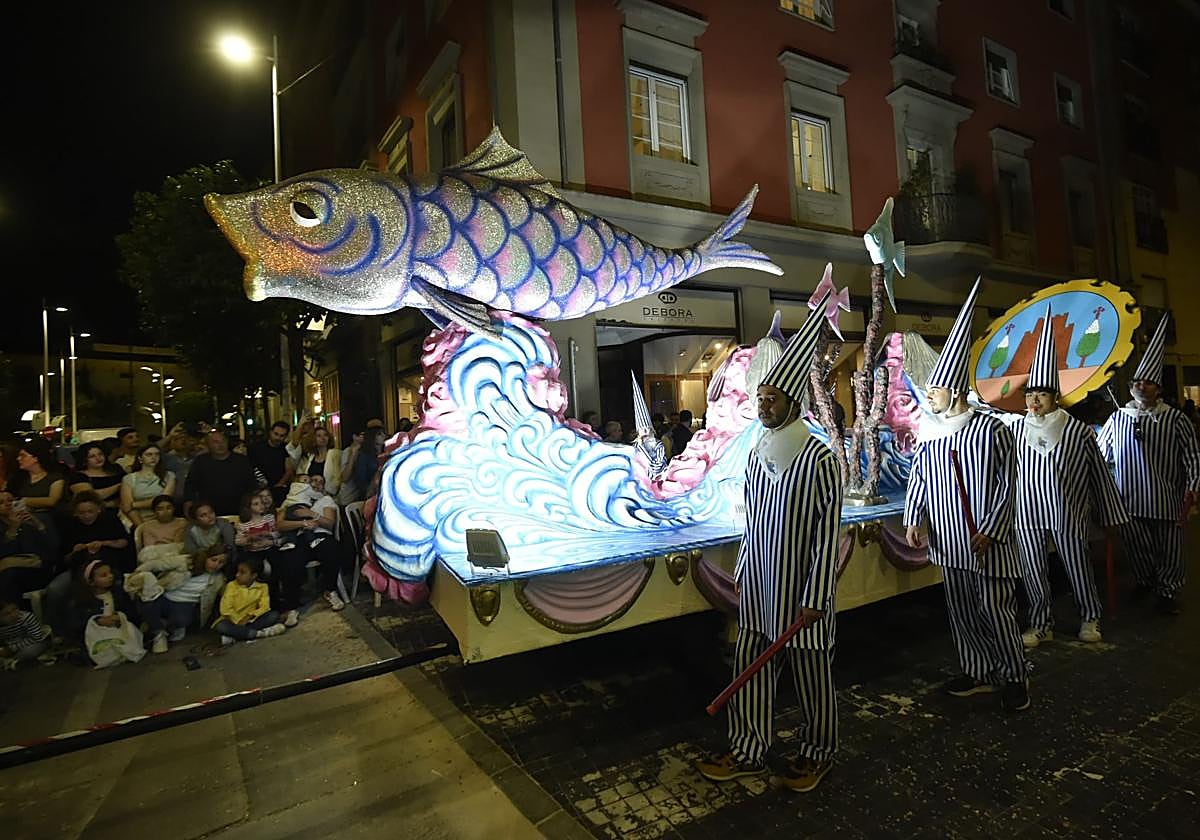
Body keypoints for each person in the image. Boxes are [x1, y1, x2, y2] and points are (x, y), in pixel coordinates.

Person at [697, 293, 841, 793]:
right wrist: (743, 572)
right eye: (760, 398)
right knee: (750, 668)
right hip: (760, 588)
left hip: (802, 595)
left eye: (772, 399)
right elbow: (753, 521)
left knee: (811, 675)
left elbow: (827, 535)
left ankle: (817, 752)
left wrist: (816, 596)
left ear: (794, 403)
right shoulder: (758, 451)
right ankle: (748, 749)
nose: (763, 406)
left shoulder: (819, 460)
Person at [903, 278, 1029, 713]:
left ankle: (1014, 675)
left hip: (985, 543)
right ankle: (977, 670)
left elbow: (1010, 484)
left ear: (954, 392)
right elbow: (919, 478)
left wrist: (991, 530)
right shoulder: (931, 433)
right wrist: (914, 517)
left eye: (933, 391)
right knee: (961, 612)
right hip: (948, 541)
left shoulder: (991, 430)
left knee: (996, 610)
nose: (928, 397)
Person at [1011, 305, 1129, 647]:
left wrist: (1109, 515)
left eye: (1041, 394)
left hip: (1068, 510)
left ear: (1056, 397)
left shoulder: (1077, 431)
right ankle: (1040, 622)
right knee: (1033, 570)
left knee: (1077, 565)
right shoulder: (1016, 430)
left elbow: (1098, 475)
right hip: (1027, 512)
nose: (1034, 400)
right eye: (1030, 394)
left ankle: (1090, 617)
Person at [1097, 312, 1200, 615]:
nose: (1142, 386)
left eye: (1149, 382)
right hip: (1129, 500)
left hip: (1167, 498)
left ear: (1159, 389)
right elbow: (1102, 454)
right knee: (1136, 546)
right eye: (1137, 381)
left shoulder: (1175, 418)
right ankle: (1145, 580)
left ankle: (1167, 591)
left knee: (1170, 549)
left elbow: (1192, 455)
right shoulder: (1118, 418)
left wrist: (1193, 487)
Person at [276, 473, 345, 611]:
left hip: (321, 535)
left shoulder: (325, 500)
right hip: (298, 537)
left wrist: (311, 514)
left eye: (321, 482)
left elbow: (329, 523)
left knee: (332, 549)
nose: (317, 484)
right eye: (313, 480)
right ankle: (292, 606)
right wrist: (302, 523)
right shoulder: (293, 499)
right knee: (289, 558)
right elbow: (280, 525)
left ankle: (330, 590)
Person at [141, 548, 226, 652]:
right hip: (164, 596)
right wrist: (138, 573)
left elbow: (226, 595)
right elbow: (155, 564)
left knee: (182, 619)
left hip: (185, 604)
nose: (216, 564)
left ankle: (162, 626)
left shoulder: (218, 579)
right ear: (206, 557)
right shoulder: (185, 561)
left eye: (221, 562)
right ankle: (158, 633)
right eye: (213, 560)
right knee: (146, 600)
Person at [235, 491, 299, 627]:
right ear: (248, 507)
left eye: (262, 503)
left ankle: (282, 605)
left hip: (270, 549)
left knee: (279, 570)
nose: (261, 506)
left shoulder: (269, 518)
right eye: (256, 504)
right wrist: (249, 538)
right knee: (256, 573)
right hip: (253, 553)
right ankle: (259, 607)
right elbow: (238, 541)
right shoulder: (243, 524)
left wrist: (268, 534)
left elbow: (278, 533)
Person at [70, 559, 143, 665]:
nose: (110, 576)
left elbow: (133, 613)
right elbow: (76, 623)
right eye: (104, 575)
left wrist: (119, 617)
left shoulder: (119, 595)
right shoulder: (82, 602)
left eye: (110, 573)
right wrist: (97, 621)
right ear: (91, 581)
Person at [212, 556, 287, 644]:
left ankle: (236, 636)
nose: (237, 575)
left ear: (253, 575)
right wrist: (238, 620)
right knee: (221, 626)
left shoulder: (262, 587)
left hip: (250, 620)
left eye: (242, 573)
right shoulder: (231, 585)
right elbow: (225, 609)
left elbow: (265, 607)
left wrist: (249, 616)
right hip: (231, 620)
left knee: (273, 615)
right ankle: (259, 633)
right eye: (237, 571)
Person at [188, 430, 258, 517]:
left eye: (223, 441)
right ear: (208, 445)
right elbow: (190, 487)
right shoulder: (200, 462)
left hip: (240, 511)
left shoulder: (242, 461)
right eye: (215, 442)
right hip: (210, 514)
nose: (220, 445)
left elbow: (252, 486)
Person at [0, 490, 52, 602]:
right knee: (9, 573)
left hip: (38, 568)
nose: (7, 504)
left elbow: (52, 548)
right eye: (1, 502)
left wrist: (38, 525)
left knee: (9, 571)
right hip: (12, 571)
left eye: (10, 500)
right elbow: (4, 553)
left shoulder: (32, 520)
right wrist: (13, 528)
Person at [120, 444, 175, 529]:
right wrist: (142, 527)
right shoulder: (129, 479)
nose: (154, 457)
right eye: (149, 454)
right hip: (138, 520)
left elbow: (163, 500)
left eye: (157, 454)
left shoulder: (169, 475)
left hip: (163, 518)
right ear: (140, 458)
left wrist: (134, 504)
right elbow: (127, 508)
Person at [249, 421, 295, 508]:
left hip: (279, 489)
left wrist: (280, 484)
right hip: (259, 488)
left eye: (282, 436)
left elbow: (289, 470)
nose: (278, 438)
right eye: (276, 434)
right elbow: (250, 468)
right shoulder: (256, 447)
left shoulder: (285, 449)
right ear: (270, 432)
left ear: (286, 436)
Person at [0, 595, 52, 667]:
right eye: (6, 614)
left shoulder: (26, 617)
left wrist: (11, 648)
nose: (13, 615)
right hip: (10, 645)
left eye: (15, 609)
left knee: (29, 651)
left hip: (33, 643)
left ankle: (14, 660)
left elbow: (36, 638)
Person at [68, 443, 124, 509]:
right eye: (92, 456)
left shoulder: (116, 468)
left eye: (100, 454)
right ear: (84, 460)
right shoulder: (78, 476)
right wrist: (118, 487)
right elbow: (89, 496)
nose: (98, 458)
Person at [184, 501, 236, 571]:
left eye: (211, 512)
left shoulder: (224, 525)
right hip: (199, 560)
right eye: (203, 515)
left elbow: (230, 547)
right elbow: (191, 550)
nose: (210, 517)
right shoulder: (190, 529)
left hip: (221, 560)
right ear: (196, 520)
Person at [295, 426, 341, 497]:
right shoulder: (310, 457)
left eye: (325, 435)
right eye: (318, 436)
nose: (323, 438)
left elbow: (338, 479)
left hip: (328, 494)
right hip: (309, 493)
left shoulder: (335, 454)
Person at [162, 429, 200, 508]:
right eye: (178, 438)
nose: (183, 440)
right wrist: (169, 436)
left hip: (194, 500)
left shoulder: (197, 458)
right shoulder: (167, 458)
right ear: (172, 443)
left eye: (186, 438)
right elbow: (152, 448)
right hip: (173, 501)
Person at [338, 430, 365, 504]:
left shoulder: (366, 452)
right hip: (347, 498)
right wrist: (353, 455)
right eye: (362, 435)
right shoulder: (347, 452)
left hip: (361, 498)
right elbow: (344, 478)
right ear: (354, 437)